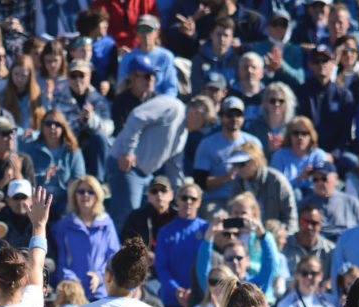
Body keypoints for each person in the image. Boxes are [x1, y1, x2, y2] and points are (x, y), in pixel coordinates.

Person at [109, 95, 211, 224]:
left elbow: (174, 167)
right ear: (198, 112)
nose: (201, 129)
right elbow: (138, 116)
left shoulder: (183, 133)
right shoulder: (173, 107)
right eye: (204, 123)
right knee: (126, 220)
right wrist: (128, 151)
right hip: (126, 167)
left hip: (145, 176)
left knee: (144, 221)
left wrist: (179, 195)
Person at [50, 175, 119, 301]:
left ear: (97, 195)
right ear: (74, 196)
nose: (85, 195)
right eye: (81, 191)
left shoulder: (107, 224)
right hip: (72, 294)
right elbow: (59, 260)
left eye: (91, 191)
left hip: (100, 293)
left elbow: (113, 257)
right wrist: (70, 278)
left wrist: (99, 276)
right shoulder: (63, 226)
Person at [295, 45, 355, 174]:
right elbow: (297, 127)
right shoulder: (301, 92)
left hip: (334, 154)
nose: (321, 64)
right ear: (310, 65)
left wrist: (334, 155)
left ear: (333, 63)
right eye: (317, 61)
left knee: (353, 163)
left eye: (325, 61)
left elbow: (346, 133)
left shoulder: (344, 95)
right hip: (306, 152)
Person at [192, 97, 261, 205]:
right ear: (221, 117)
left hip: (247, 201)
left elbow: (261, 174)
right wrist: (227, 177)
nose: (234, 118)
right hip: (215, 200)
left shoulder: (253, 142)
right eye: (229, 115)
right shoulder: (207, 144)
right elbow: (200, 183)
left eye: (238, 115)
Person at [54, 59, 113, 180]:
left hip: (92, 147)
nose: (77, 80)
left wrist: (90, 120)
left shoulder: (98, 99)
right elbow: (56, 129)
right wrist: (78, 122)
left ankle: (99, 182)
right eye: (73, 76)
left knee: (100, 138)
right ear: (68, 78)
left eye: (81, 75)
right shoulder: (59, 98)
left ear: (89, 76)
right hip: (69, 145)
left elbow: (109, 127)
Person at [24, 109, 85, 218]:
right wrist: (42, 178)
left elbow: (80, 179)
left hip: (64, 204)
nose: (52, 127)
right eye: (48, 124)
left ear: (63, 128)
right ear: (42, 127)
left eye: (57, 124)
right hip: (37, 203)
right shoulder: (31, 149)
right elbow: (25, 179)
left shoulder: (73, 151)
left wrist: (73, 184)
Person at [227, 143, 297, 233]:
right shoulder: (237, 183)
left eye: (242, 164)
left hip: (275, 237)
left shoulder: (277, 180)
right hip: (246, 235)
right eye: (235, 165)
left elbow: (290, 217)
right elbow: (231, 214)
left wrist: (284, 238)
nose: (238, 169)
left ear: (255, 162)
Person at [270, 116, 329, 198]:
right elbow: (276, 187)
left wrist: (312, 176)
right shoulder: (279, 156)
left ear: (311, 136)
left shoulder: (319, 155)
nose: (300, 137)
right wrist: (299, 179)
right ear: (289, 136)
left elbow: (324, 184)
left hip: (314, 201)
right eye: (296, 133)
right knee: (296, 193)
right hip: (287, 200)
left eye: (304, 133)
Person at [283, 206, 336, 288]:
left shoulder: (330, 250)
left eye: (314, 223)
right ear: (298, 223)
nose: (309, 227)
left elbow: (337, 276)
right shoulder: (283, 245)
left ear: (320, 226)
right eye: (304, 222)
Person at [120, 176, 173, 254]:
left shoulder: (178, 217)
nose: (159, 194)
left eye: (163, 190)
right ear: (148, 195)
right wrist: (143, 254)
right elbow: (125, 243)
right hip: (145, 263)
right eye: (154, 191)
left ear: (171, 194)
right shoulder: (136, 216)